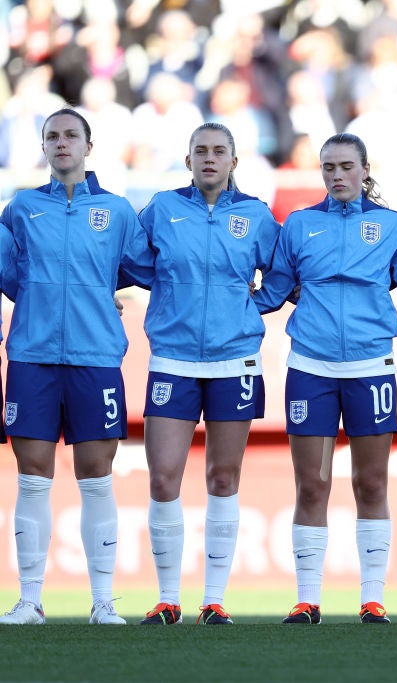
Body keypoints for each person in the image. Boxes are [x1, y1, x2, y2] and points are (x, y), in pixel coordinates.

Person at [253, 132, 397, 625]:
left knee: (371, 483)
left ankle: (373, 599)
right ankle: (308, 599)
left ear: (366, 170)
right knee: (312, 483)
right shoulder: (300, 225)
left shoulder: (392, 226)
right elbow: (275, 290)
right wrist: (228, 301)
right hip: (310, 366)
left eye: (346, 166)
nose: (337, 175)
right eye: (328, 167)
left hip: (372, 367)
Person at [0, 108, 153, 625]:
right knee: (33, 475)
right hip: (32, 357)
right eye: (52, 136)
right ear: (42, 148)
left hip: (96, 358)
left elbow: (142, 268)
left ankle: (103, 603)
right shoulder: (21, 209)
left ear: (89, 146)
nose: (61, 143)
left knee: (95, 474)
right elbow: (8, 272)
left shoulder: (117, 211)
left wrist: (90, 298)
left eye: (70, 135)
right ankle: (29, 600)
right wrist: (48, 302)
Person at [136, 122, 280, 626]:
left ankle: (214, 599)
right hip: (173, 358)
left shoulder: (257, 216)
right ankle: (168, 597)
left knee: (223, 475)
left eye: (220, 151)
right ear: (188, 159)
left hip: (234, 358)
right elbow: (130, 261)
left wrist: (251, 307)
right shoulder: (162, 210)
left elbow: (282, 274)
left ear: (235, 162)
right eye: (201, 151)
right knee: (164, 476)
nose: (210, 159)